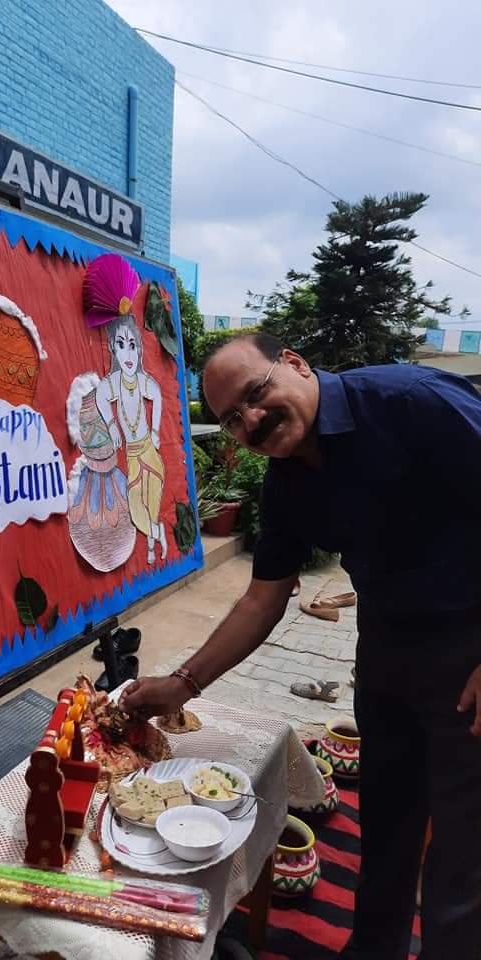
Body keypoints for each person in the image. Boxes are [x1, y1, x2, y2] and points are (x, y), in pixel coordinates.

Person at [120, 332, 481, 960]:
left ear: (294, 364)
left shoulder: (410, 401)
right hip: (386, 652)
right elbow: (263, 599)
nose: (251, 419)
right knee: (388, 826)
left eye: (255, 393)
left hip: (469, 649)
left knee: (463, 857)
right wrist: (181, 685)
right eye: (232, 418)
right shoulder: (287, 483)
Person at [95, 314, 167, 565]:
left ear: (139, 350)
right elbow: (101, 396)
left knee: (152, 499)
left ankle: (151, 545)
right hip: (133, 454)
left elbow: (157, 395)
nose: (128, 353)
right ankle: (157, 533)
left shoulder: (142, 381)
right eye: (121, 345)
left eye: (132, 345)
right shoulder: (113, 383)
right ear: (113, 350)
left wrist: (155, 431)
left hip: (148, 448)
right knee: (136, 506)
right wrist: (112, 425)